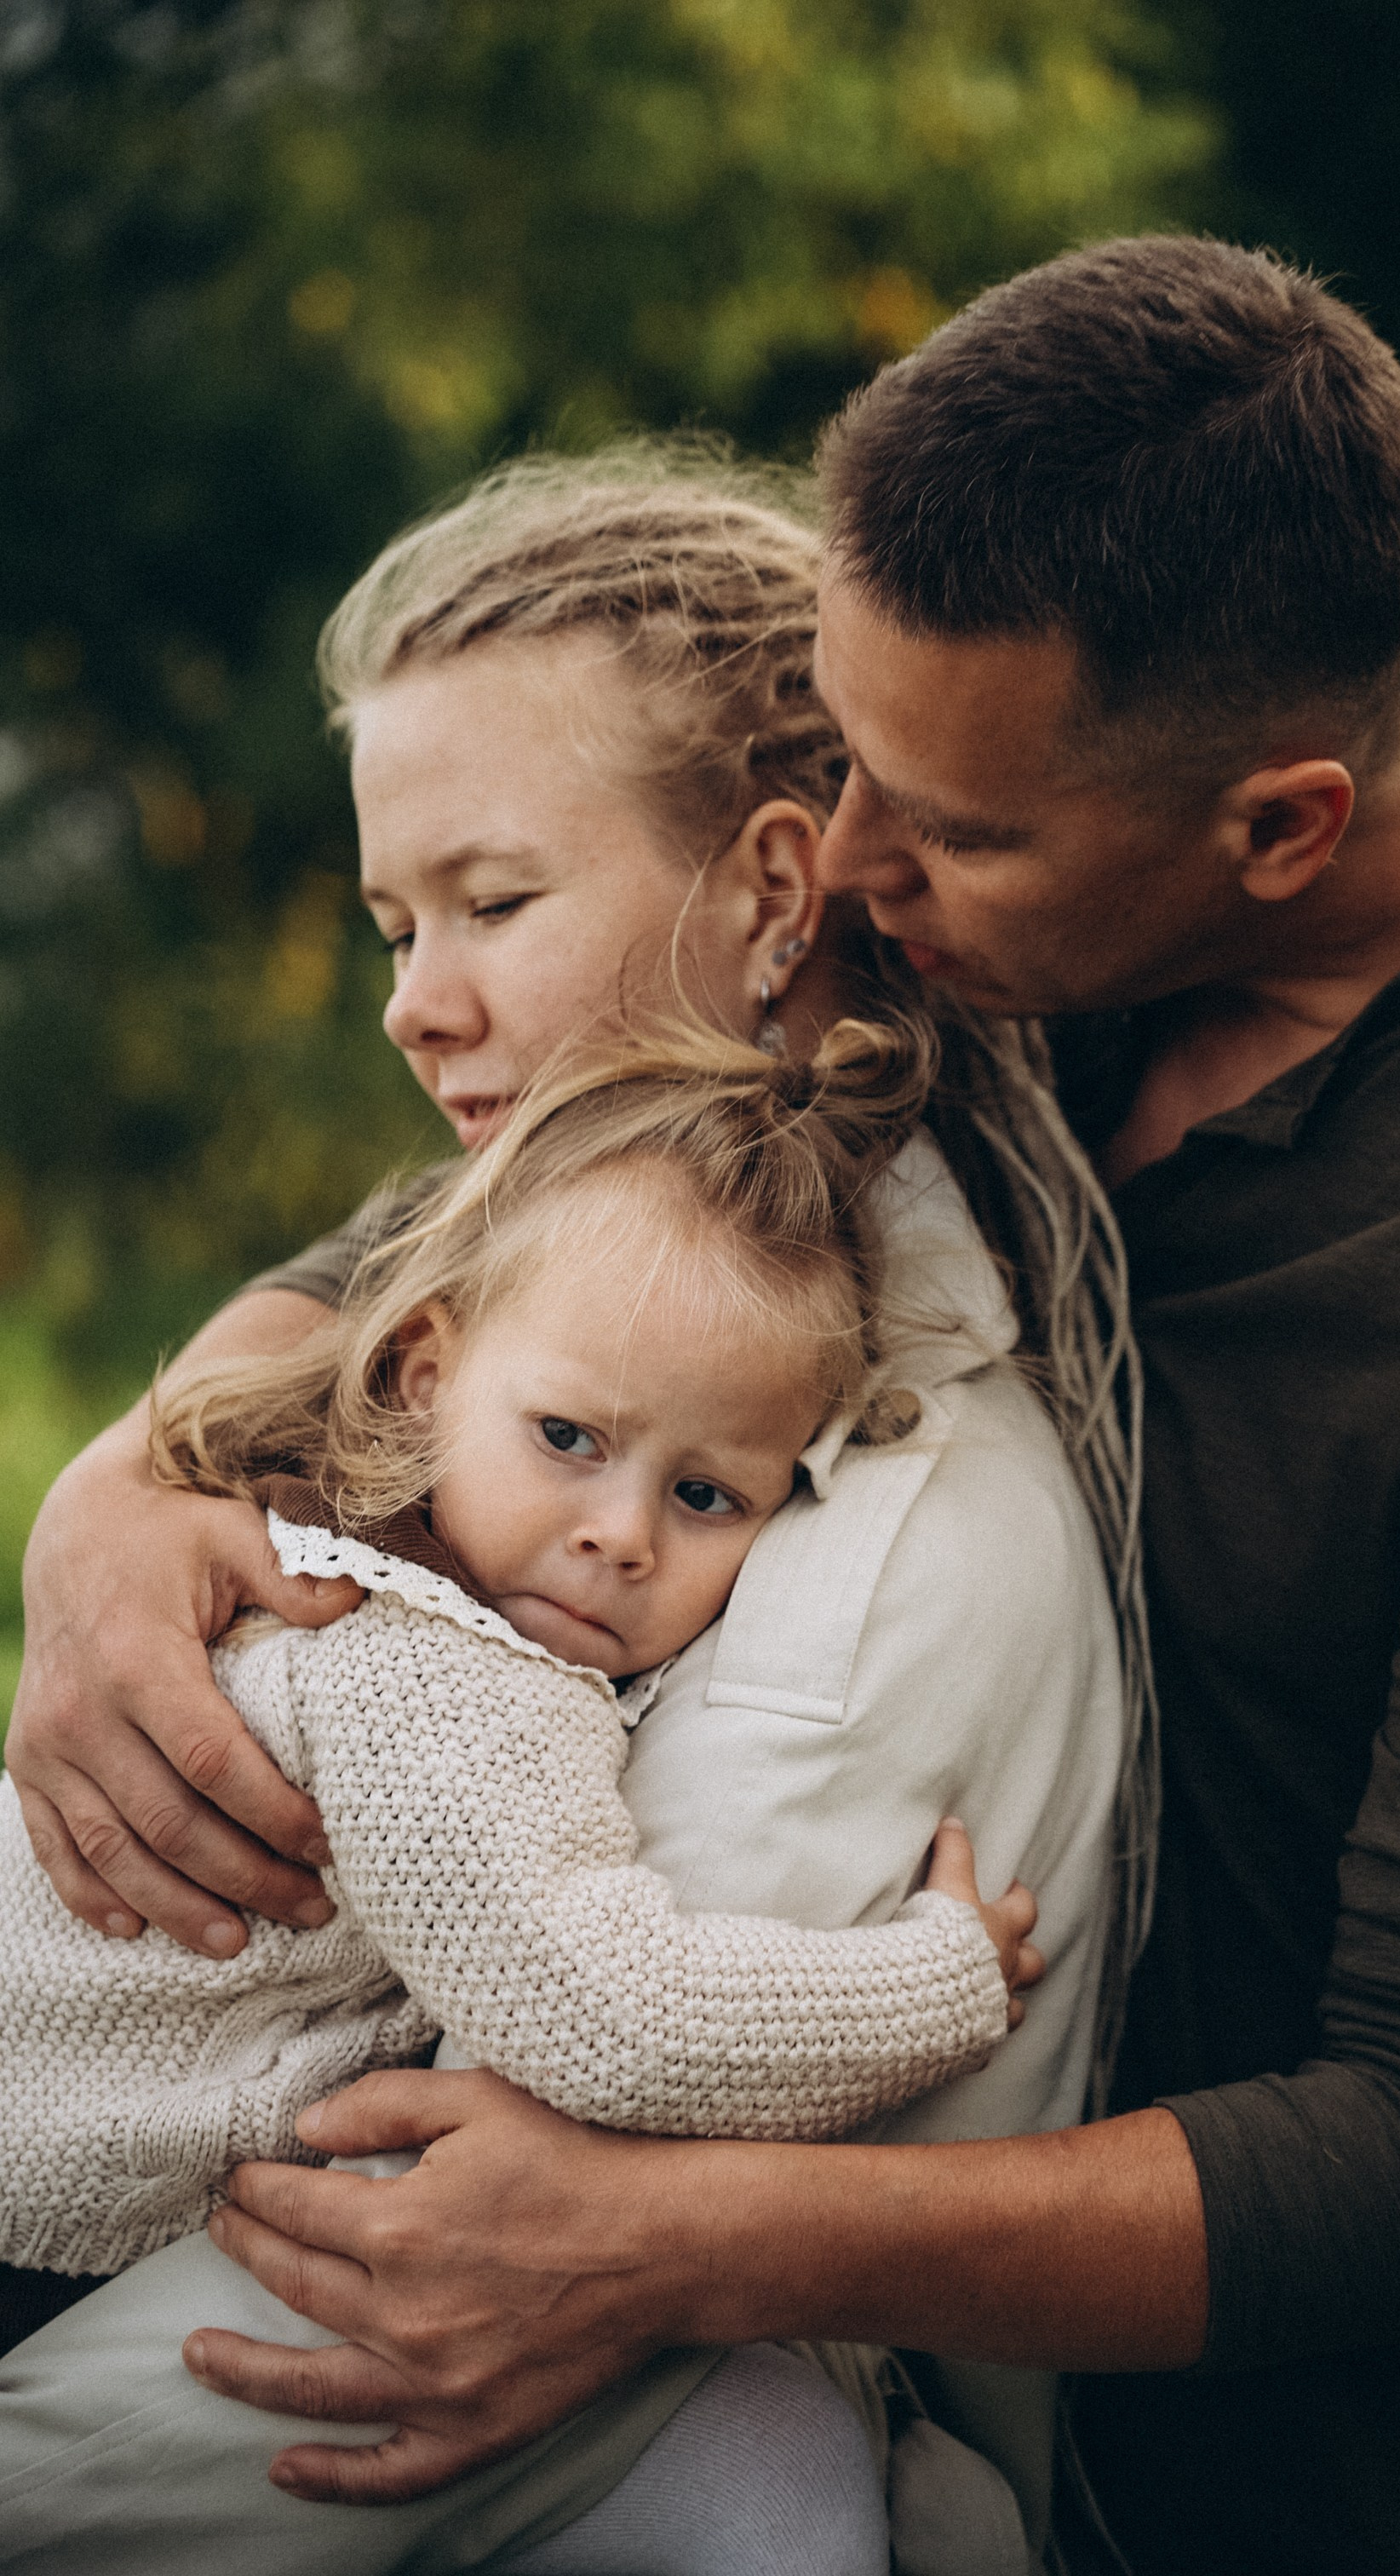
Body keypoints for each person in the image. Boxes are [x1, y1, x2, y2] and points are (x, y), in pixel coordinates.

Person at [26, 234, 1400, 2576]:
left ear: (1281, 828)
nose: (859, 870)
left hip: (1331, 2504)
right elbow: (542, 1220)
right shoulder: (1010, 896)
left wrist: (674, 2238)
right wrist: (128, 1493)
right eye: (839, 762)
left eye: (945, 828)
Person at [3, 459, 1134, 2571]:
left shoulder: (858, 1553)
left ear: (778, 892)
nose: (414, 998)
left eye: (491, 903)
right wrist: (117, 1495)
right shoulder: (598, 1316)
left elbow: (471, 2243)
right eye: (391, 923)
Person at [1, 1024, 1046, 2574]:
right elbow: (603, 2013)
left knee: (786, 2460)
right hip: (33, 2220)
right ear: (426, 1374)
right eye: (570, 1441)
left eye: (707, 1498)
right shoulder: (426, 1668)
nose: (619, 1535)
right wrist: (938, 1981)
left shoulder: (409, 1577)